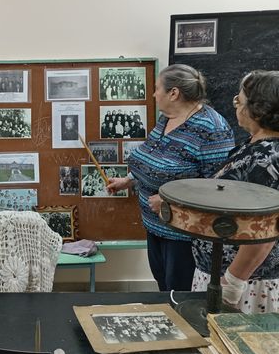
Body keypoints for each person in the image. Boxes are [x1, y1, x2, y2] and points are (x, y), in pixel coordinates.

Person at [106, 64, 234, 291]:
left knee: (178, 293)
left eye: (157, 88)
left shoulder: (213, 130)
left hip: (183, 235)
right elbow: (153, 158)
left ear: (173, 93)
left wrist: (169, 203)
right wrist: (130, 179)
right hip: (154, 224)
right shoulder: (167, 118)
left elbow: (219, 189)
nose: (153, 94)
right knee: (163, 287)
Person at [191, 70, 279, 313]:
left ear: (259, 110)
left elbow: (263, 230)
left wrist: (232, 283)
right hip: (222, 275)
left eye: (239, 100)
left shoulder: (268, 158)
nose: (236, 106)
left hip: (244, 284)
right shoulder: (254, 146)